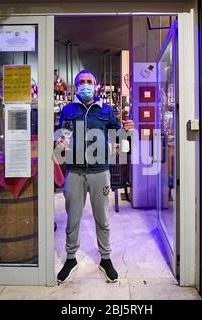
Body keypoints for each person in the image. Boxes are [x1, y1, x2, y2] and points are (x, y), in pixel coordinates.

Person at [55, 70, 134, 283]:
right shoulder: (67, 110)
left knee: (103, 218)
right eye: (81, 82)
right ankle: (70, 258)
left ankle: (105, 259)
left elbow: (120, 137)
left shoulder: (106, 110)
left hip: (100, 172)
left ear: (95, 85)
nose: (85, 85)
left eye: (89, 81)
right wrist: (59, 143)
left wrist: (128, 130)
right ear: (76, 86)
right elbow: (61, 135)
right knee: (73, 219)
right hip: (75, 172)